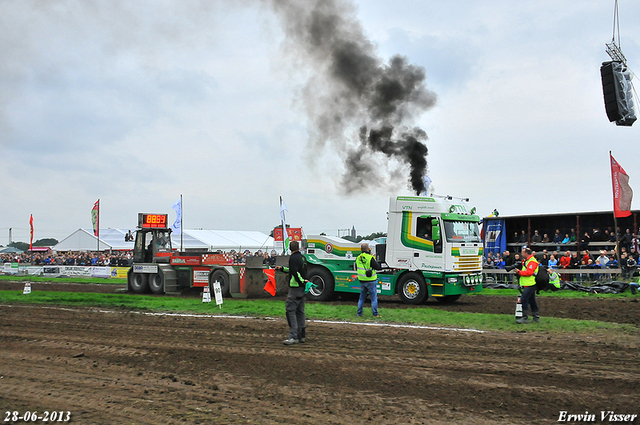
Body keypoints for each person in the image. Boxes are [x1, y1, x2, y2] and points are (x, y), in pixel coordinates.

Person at [275, 240, 308, 345]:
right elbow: (295, 270)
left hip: (295, 288)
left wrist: (301, 281)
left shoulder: (293, 258)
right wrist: (282, 269)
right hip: (303, 288)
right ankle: (301, 336)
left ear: (290, 248)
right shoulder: (303, 258)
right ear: (298, 247)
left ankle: (293, 337)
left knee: (290, 310)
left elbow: (295, 272)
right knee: (300, 311)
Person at [513, 248, 540, 324]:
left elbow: (529, 273)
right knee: (532, 301)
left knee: (523, 299)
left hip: (530, 284)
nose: (521, 254)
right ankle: (536, 317)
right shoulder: (527, 261)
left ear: (526, 253)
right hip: (528, 284)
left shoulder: (532, 261)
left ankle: (525, 317)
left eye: (523, 253)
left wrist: (519, 272)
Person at [356, 243, 382, 318]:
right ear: (368, 249)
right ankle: (375, 314)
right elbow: (377, 267)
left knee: (361, 298)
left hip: (362, 280)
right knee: (373, 298)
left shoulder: (358, 258)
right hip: (371, 280)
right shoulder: (370, 257)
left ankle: (359, 313)